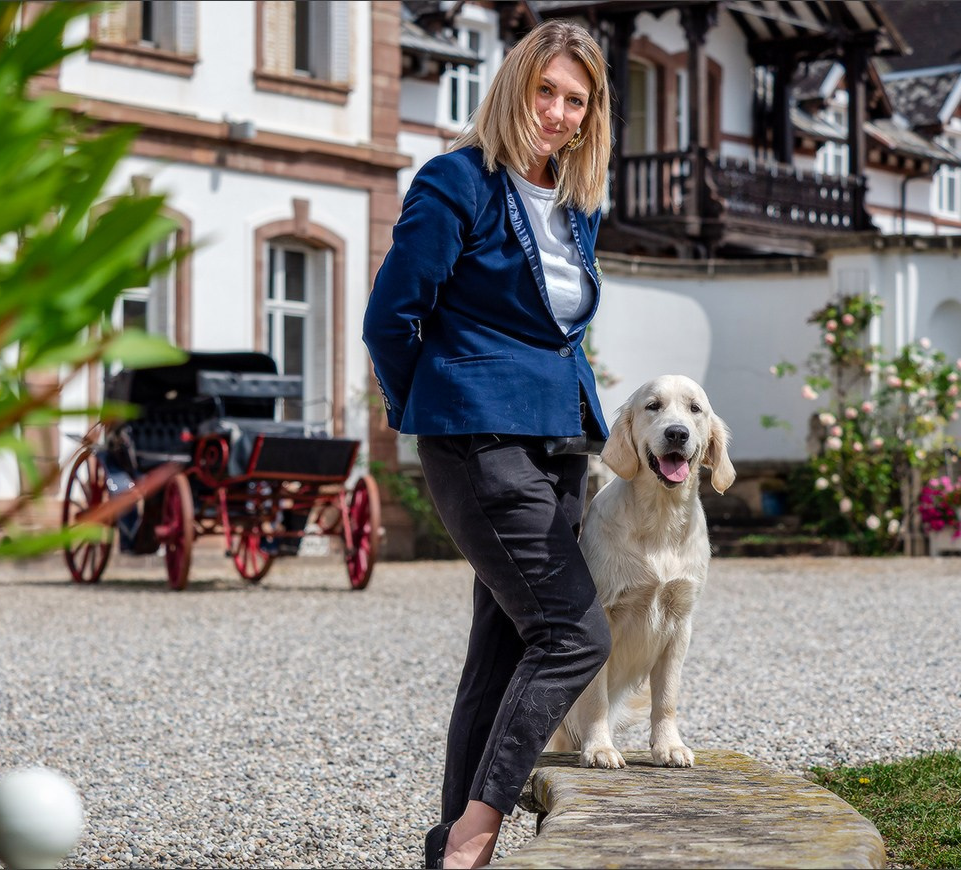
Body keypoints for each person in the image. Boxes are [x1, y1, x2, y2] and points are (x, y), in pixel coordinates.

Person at [362, 19, 613, 870]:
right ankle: (474, 838)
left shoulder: (581, 206)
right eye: (546, 91)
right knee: (576, 634)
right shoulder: (456, 182)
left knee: (505, 644)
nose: (558, 112)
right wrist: (428, 406)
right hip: (479, 439)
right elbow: (390, 318)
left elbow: (562, 330)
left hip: (560, 444)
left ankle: (446, 849)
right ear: (513, 88)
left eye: (575, 100)